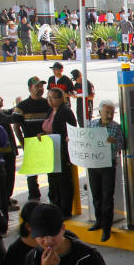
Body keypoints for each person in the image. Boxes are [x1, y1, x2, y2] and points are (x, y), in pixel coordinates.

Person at [86, 101, 124, 242]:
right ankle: (99, 221)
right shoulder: (91, 125)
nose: (109, 115)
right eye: (106, 112)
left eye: (111, 113)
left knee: (107, 196)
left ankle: (106, 228)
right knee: (96, 195)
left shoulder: (116, 127)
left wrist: (113, 141)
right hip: (94, 164)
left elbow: (122, 145)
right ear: (100, 112)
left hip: (108, 164)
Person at [11, 76, 51, 201]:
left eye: (41, 86)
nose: (40, 89)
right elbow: (16, 127)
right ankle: (34, 197)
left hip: (47, 141)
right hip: (31, 142)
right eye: (37, 86)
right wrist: (23, 143)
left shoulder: (48, 103)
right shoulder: (22, 106)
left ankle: (53, 194)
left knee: (51, 170)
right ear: (30, 88)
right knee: (32, 174)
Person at [43, 89, 78, 218]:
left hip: (61, 151)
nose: (50, 100)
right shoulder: (50, 111)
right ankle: (55, 207)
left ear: (60, 99)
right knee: (53, 181)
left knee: (63, 182)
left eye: (53, 98)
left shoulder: (65, 112)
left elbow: (71, 130)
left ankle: (64, 210)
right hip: (49, 150)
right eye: (48, 98)